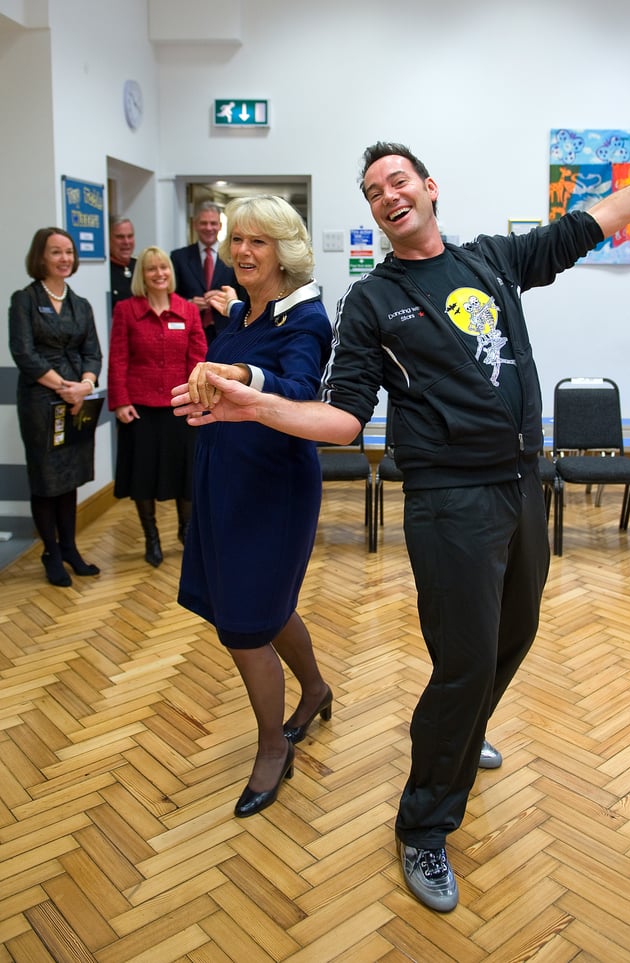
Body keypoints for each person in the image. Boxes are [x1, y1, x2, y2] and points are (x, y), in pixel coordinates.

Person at [173, 117, 630, 911]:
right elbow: (343, 419)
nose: (386, 197)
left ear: (429, 187)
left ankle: (463, 727)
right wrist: (258, 406)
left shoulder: (493, 259)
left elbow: (602, 218)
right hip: (448, 502)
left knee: (516, 634)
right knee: (465, 661)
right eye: (374, 193)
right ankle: (423, 824)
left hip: (522, 484)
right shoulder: (374, 301)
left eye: (398, 182)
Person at [177, 194, 333, 819]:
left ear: (284, 251)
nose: (241, 251)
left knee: (245, 628)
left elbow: (300, 390)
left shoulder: (306, 318)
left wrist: (240, 372)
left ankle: (273, 748)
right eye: (236, 240)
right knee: (261, 607)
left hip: (272, 487)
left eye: (257, 242)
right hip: (224, 478)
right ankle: (316, 689)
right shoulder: (242, 313)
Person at [9, 227, 103, 588]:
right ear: (41, 257)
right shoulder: (25, 300)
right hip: (41, 400)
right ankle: (50, 552)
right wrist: (63, 386)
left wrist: (86, 384)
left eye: (68, 252)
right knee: (46, 478)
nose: (64, 258)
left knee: (71, 476)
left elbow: (92, 351)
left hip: (78, 398)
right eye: (56, 252)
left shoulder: (81, 304)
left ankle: (70, 548)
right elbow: (24, 353)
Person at [108, 247, 207, 566]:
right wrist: (120, 401)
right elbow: (119, 357)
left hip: (180, 405)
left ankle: (186, 532)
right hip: (140, 409)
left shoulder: (188, 310)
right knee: (143, 477)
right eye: (151, 269)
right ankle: (151, 539)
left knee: (185, 475)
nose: (159, 273)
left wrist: (197, 399)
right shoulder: (126, 310)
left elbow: (198, 358)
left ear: (171, 271)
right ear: (143, 275)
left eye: (163, 267)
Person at [171, 201, 239, 343]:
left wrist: (226, 298)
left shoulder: (234, 256)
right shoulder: (179, 257)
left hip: (226, 332)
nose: (209, 228)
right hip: (189, 332)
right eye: (203, 223)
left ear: (220, 226)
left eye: (213, 223)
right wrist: (188, 304)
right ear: (195, 225)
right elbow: (169, 296)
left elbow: (245, 296)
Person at [109, 215, 137, 307]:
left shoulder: (140, 266)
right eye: (120, 237)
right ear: (108, 239)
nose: (126, 242)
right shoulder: (105, 271)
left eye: (130, 236)